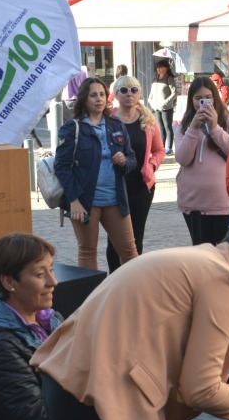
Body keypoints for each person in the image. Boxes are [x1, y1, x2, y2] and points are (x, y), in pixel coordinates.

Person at [32, 216, 229, 420]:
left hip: (69, 382)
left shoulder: (202, 259)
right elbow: (200, 391)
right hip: (99, 401)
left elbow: (174, 351)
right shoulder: (225, 281)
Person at [0, 233, 62, 420]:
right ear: (9, 282)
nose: (53, 282)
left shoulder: (49, 318)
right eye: (40, 274)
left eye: (51, 270)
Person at [55, 77, 138, 271]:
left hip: (115, 200)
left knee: (129, 252)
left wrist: (124, 161)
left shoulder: (116, 125)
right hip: (85, 202)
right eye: (93, 95)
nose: (99, 99)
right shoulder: (73, 128)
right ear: (84, 99)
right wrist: (74, 200)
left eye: (102, 94)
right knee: (87, 251)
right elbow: (62, 167)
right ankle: (92, 291)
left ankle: (133, 289)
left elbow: (132, 158)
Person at [104, 76, 165, 272]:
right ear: (116, 95)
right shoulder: (108, 119)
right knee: (115, 238)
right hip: (114, 186)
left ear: (139, 93)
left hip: (141, 187)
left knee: (136, 236)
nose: (129, 94)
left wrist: (152, 166)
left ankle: (132, 280)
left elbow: (159, 150)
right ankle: (115, 279)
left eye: (133, 90)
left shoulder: (147, 119)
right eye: (123, 90)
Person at [176, 76, 229, 245]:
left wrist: (214, 128)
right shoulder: (184, 125)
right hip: (193, 204)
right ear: (191, 100)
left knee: (225, 253)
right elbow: (182, 158)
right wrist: (193, 128)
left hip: (225, 202)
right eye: (198, 98)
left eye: (208, 97)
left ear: (215, 97)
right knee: (202, 255)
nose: (204, 102)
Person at [148, 59, 177, 155]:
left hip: (166, 108)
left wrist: (166, 102)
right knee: (160, 128)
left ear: (166, 68)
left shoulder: (169, 79)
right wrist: (150, 100)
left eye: (160, 67)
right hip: (156, 108)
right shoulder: (155, 79)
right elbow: (152, 92)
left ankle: (169, 147)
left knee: (167, 127)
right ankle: (162, 146)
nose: (158, 69)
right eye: (157, 67)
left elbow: (174, 93)